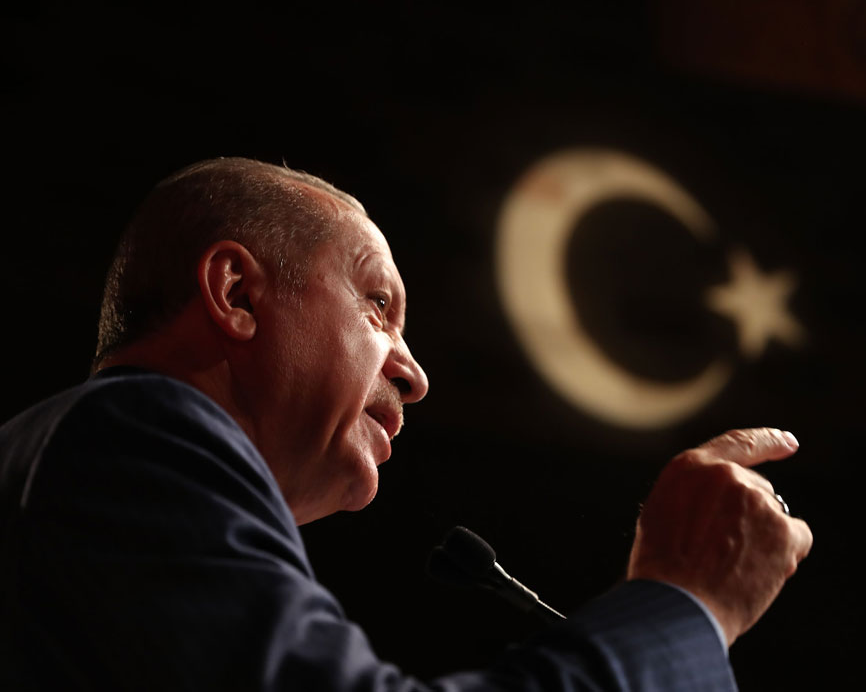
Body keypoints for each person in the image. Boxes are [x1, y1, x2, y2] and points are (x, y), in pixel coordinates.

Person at [0, 157, 812, 690]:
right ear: (238, 293)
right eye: (377, 306)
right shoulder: (137, 433)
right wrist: (684, 600)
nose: (415, 374)